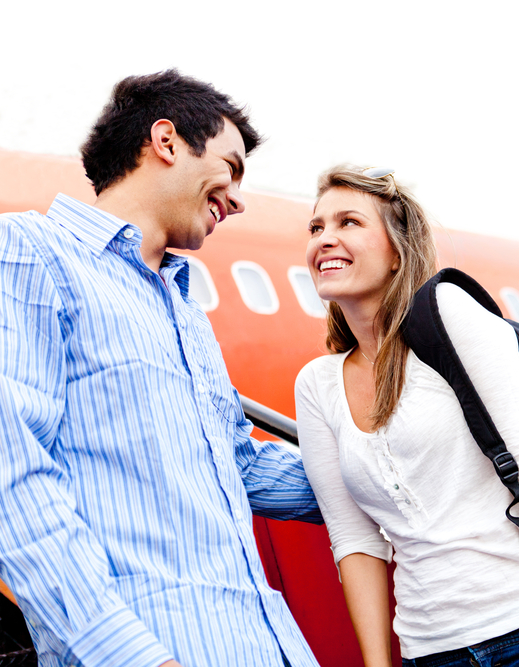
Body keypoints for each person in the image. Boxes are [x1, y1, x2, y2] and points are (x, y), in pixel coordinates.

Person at [0, 70, 323, 667]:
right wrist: (126, 655)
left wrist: (398, 476)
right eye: (230, 165)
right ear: (167, 141)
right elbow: (12, 475)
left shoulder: (184, 313)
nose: (238, 196)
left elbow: (240, 463)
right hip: (155, 650)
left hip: (266, 644)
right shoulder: (32, 250)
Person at [295, 165, 519, 667]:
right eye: (316, 228)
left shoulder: (451, 319)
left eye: (348, 222)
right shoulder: (316, 385)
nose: (325, 239)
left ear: (397, 252)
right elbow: (354, 539)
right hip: (434, 651)